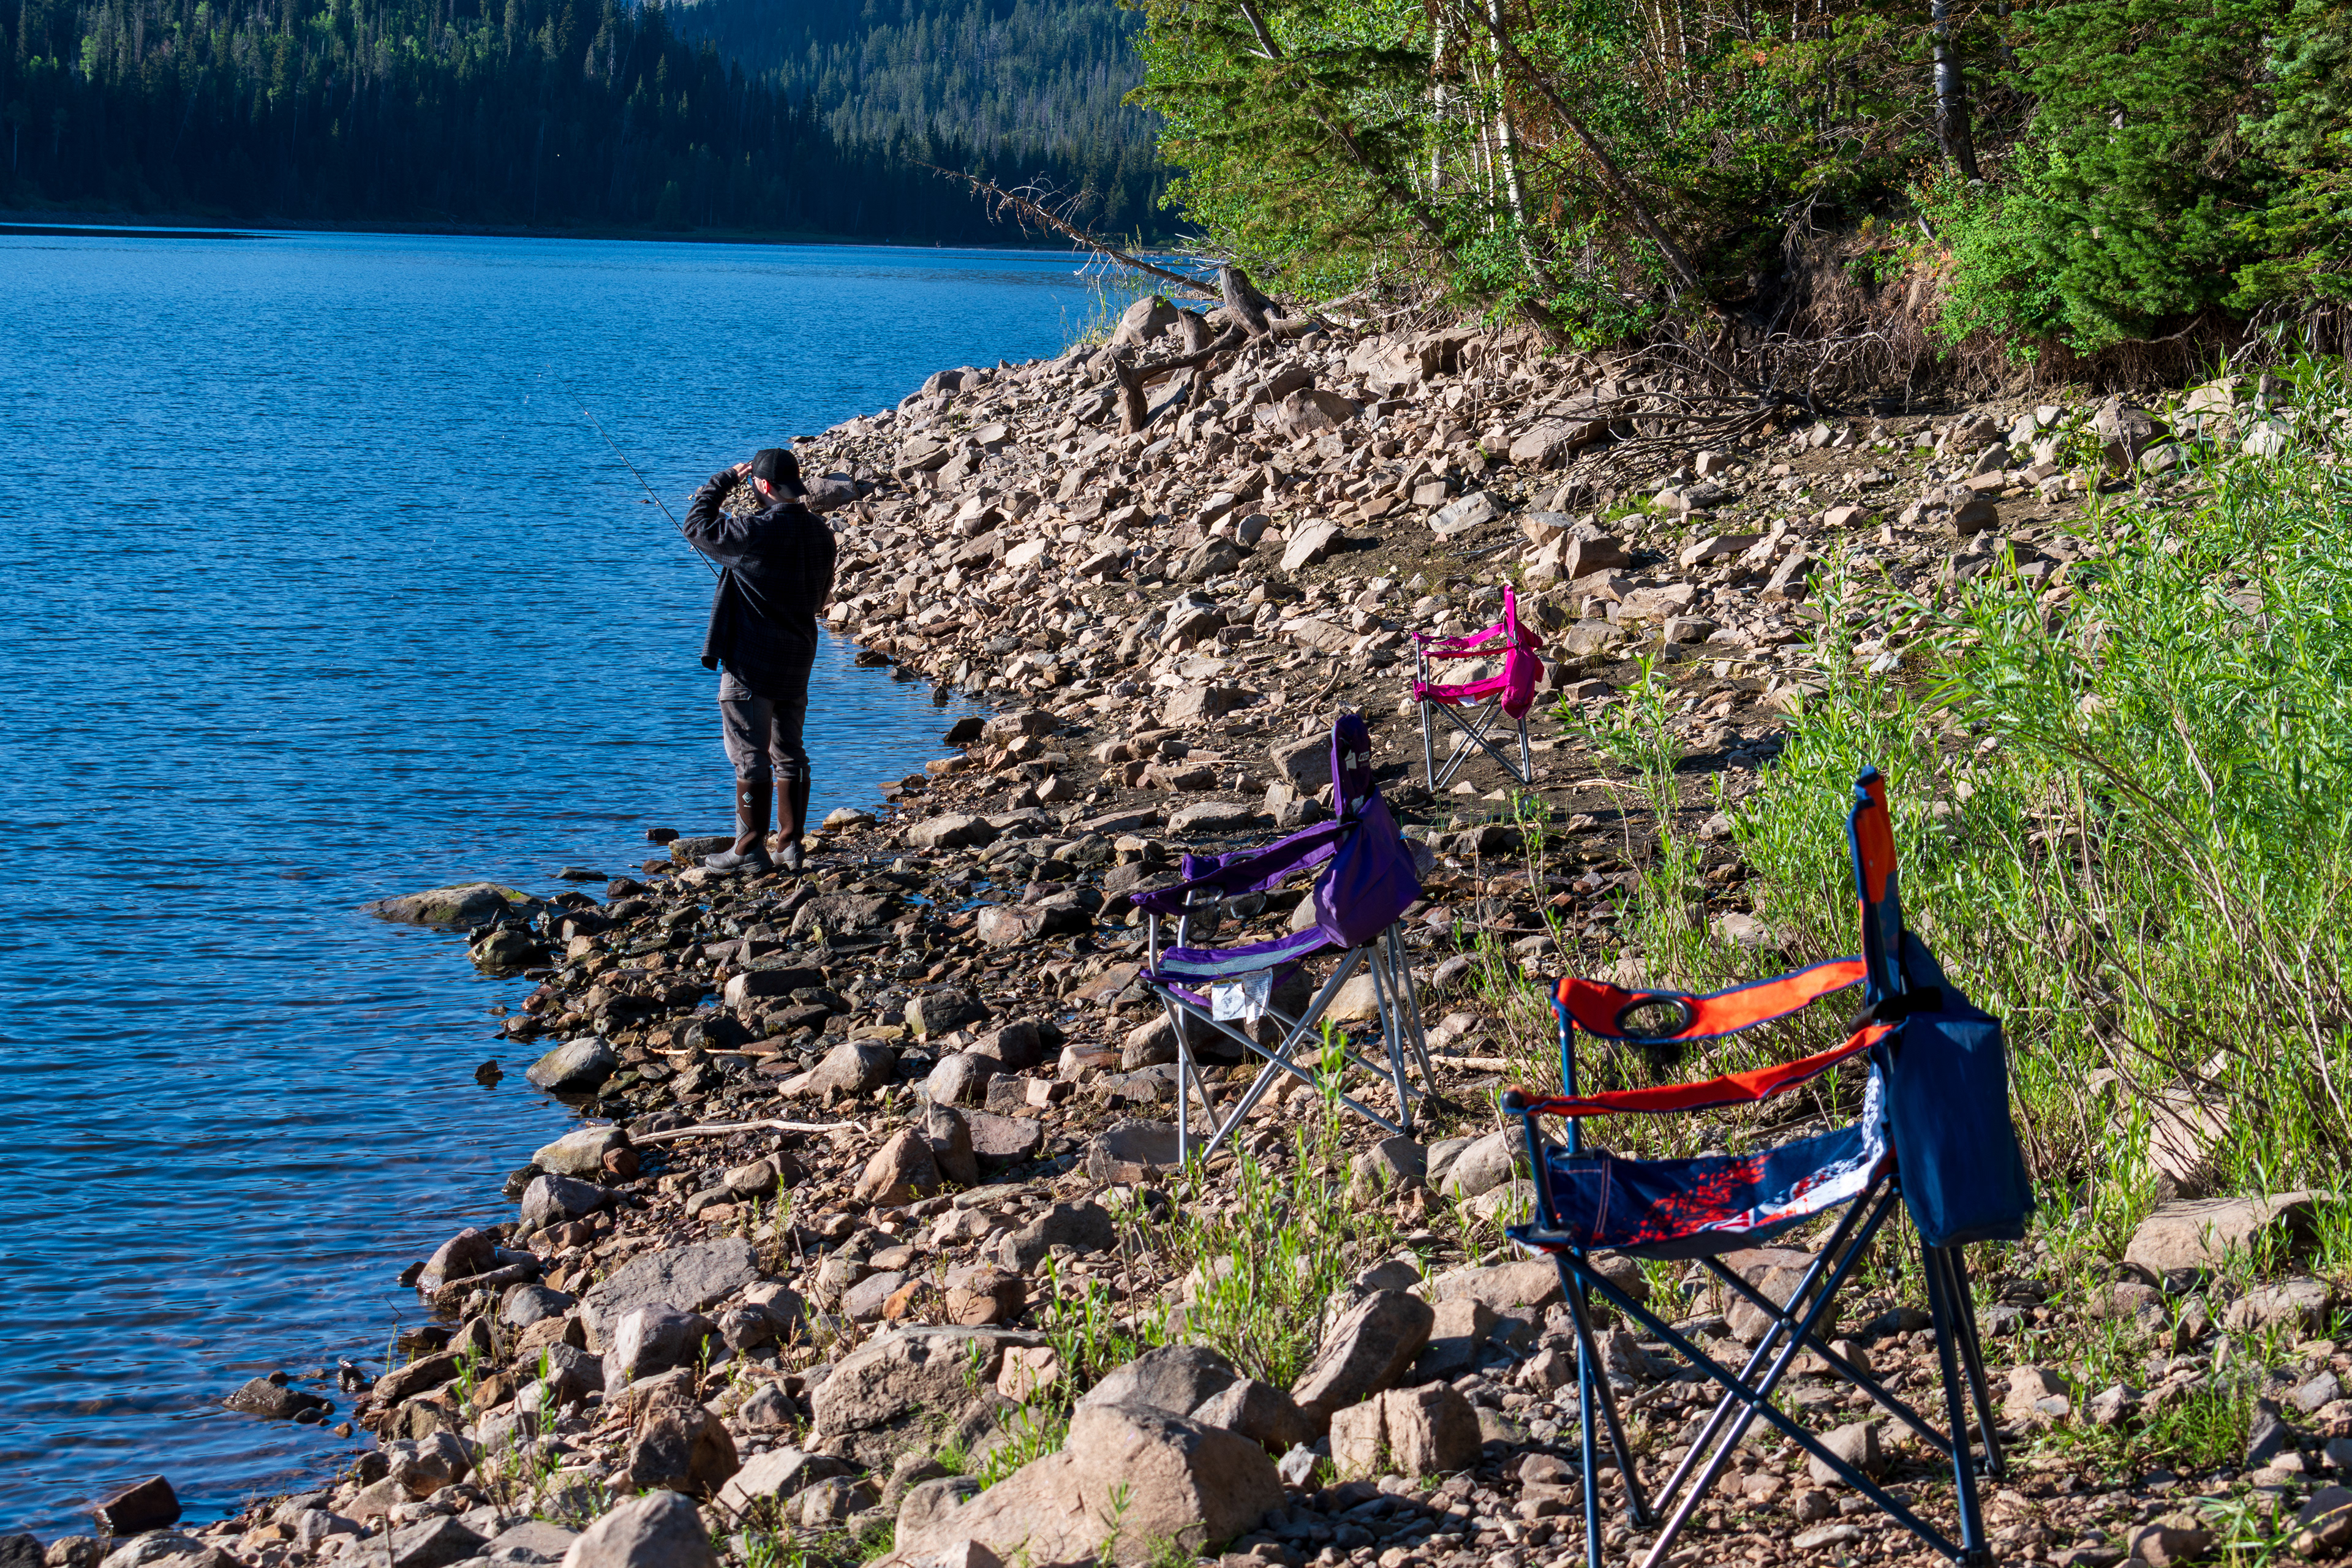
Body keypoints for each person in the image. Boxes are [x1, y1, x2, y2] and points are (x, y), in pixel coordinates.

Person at [681, 446, 837, 873]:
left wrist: (724, 480)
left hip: (751, 663)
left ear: (763, 486)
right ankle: (790, 847)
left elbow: (695, 525)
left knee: (749, 754)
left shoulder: (752, 531)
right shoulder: (822, 533)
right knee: (790, 753)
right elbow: (822, 596)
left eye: (753, 484)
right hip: (798, 656)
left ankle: (749, 848)